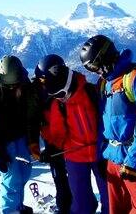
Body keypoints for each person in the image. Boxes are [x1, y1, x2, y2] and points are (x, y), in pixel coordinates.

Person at [80, 35, 136, 214]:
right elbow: (104, 122)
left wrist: (134, 161)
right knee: (116, 210)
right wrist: (101, 155)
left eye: (94, 66)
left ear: (104, 58)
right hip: (113, 158)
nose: (95, 72)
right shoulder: (105, 83)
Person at [34, 54, 109, 214]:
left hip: (99, 154)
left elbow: (105, 120)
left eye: (60, 94)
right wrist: (52, 149)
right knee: (81, 203)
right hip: (75, 158)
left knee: (110, 198)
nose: (60, 98)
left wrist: (106, 147)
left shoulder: (89, 92)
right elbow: (57, 133)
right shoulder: (58, 104)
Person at [0, 55, 38, 214]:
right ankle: (11, 210)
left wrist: (33, 141)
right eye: (10, 86)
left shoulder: (24, 84)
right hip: (1, 138)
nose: (13, 88)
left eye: (15, 85)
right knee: (12, 176)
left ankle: (18, 206)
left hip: (20, 135)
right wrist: (0, 151)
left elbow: (32, 115)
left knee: (24, 173)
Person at [31, 75, 73, 214]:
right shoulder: (36, 94)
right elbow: (34, 122)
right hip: (52, 142)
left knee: (68, 176)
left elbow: (60, 126)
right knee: (60, 177)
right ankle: (66, 206)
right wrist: (35, 146)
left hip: (63, 143)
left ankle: (70, 206)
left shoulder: (57, 97)